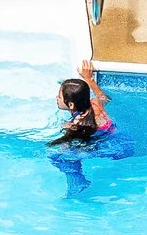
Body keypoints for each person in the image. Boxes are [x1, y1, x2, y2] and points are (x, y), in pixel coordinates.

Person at [48, 59, 130, 193]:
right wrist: (88, 78)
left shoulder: (76, 124)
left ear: (71, 105)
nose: (56, 97)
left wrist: (66, 132)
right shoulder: (95, 104)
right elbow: (105, 97)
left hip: (111, 148)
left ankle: (78, 181)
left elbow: (74, 143)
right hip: (124, 142)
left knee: (58, 157)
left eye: (59, 96)